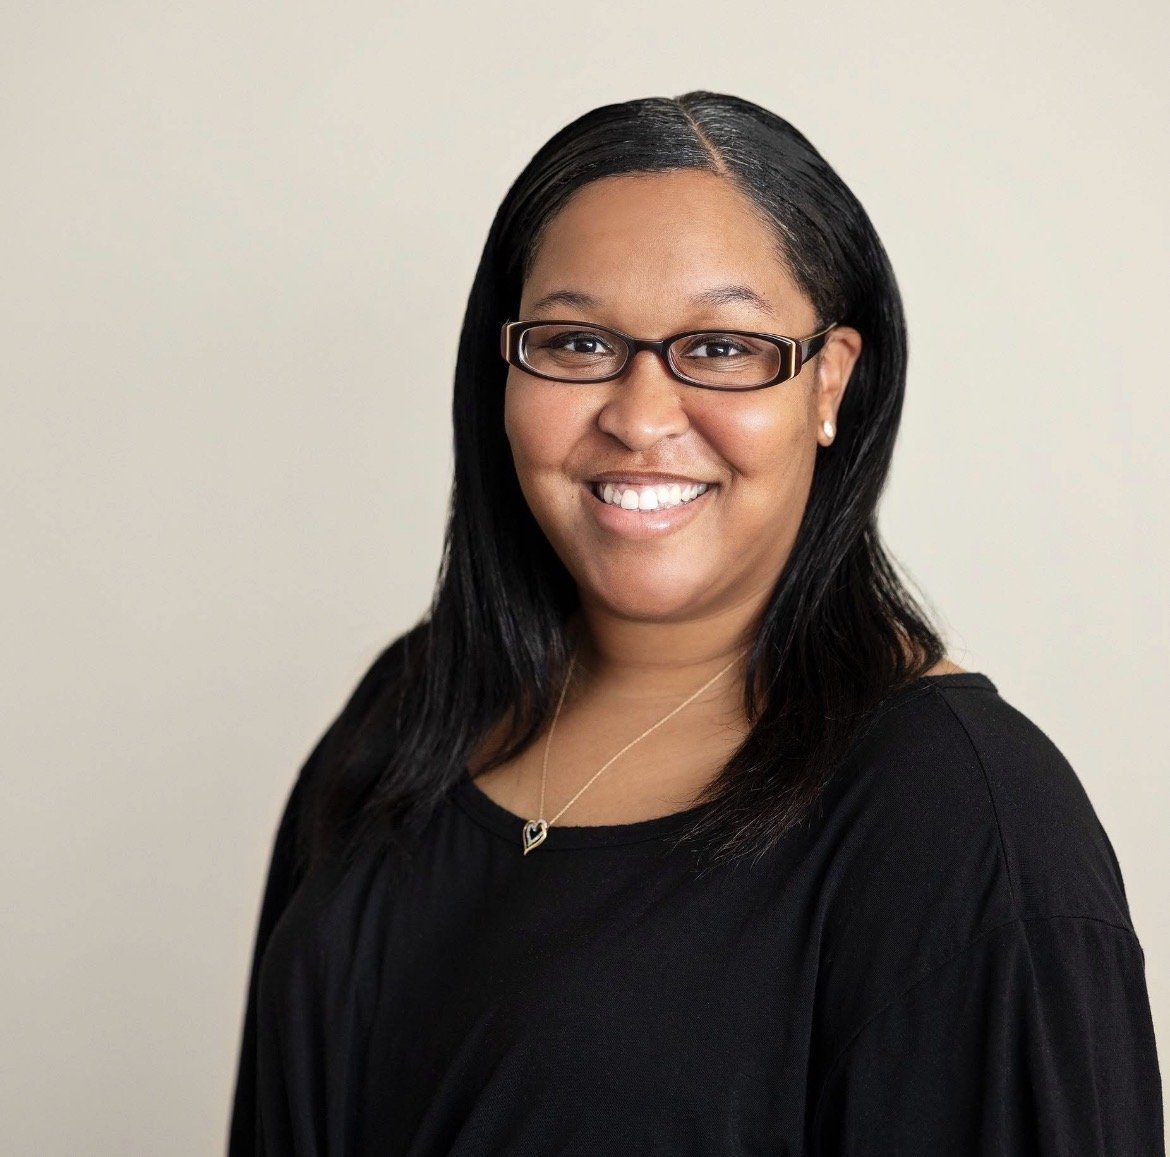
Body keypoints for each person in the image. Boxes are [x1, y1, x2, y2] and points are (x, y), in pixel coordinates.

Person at [227, 91, 1163, 1154]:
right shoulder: (410, 706)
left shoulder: (964, 823)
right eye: (576, 341)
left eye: (720, 348)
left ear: (831, 383)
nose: (638, 413)